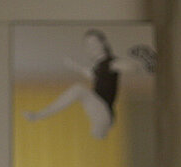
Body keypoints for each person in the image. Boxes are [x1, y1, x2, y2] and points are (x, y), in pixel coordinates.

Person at [24, 29, 155, 139]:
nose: (91, 47)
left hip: (103, 109)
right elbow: (91, 74)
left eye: (93, 43)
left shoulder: (110, 63)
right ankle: (99, 133)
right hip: (100, 112)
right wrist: (74, 66)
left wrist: (139, 64)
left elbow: (124, 66)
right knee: (96, 136)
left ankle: (39, 115)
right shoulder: (100, 67)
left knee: (78, 89)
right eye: (87, 44)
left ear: (103, 43)